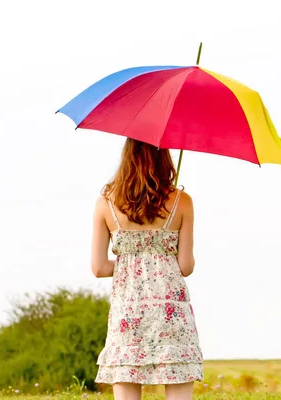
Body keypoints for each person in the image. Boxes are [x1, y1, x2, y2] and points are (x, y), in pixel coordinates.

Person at [91, 138, 203, 400]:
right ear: (164, 157)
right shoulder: (182, 201)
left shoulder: (105, 203)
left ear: (127, 157)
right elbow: (185, 266)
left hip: (128, 310)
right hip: (170, 311)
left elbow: (98, 267)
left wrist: (131, 265)